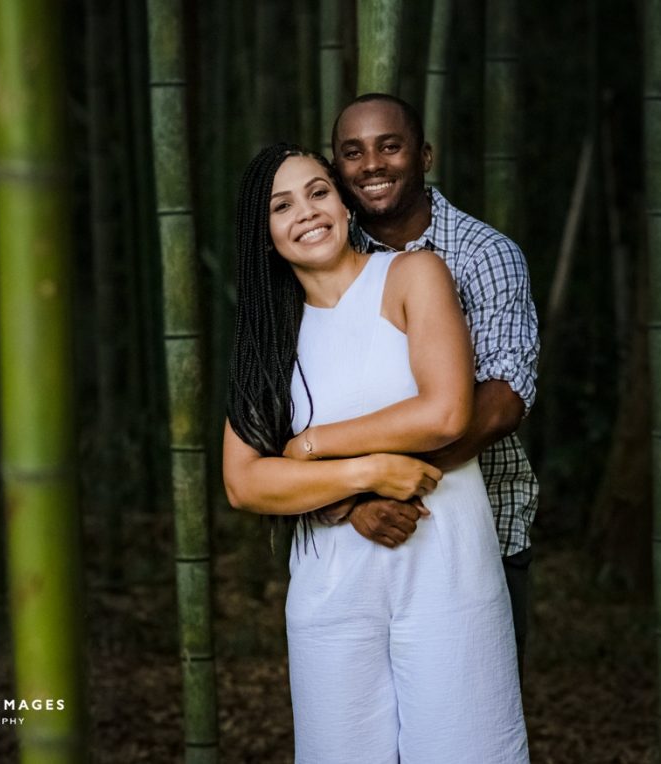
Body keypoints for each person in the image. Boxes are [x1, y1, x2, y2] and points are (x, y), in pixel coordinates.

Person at [221, 143, 528, 763]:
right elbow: (244, 483)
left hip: (447, 570)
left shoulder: (414, 275)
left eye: (318, 192)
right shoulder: (268, 336)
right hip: (332, 590)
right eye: (282, 206)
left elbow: (445, 412)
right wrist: (367, 475)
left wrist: (309, 448)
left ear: (343, 200)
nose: (307, 212)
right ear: (265, 233)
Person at [299, 92, 541, 663]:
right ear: (336, 169)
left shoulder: (486, 254)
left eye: (390, 146)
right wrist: (354, 499)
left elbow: (504, 399)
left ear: (424, 155)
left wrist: (375, 481)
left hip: (481, 523)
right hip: (351, 531)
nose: (372, 165)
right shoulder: (324, 258)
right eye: (353, 153)